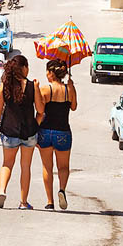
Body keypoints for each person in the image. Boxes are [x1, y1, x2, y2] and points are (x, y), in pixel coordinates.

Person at [0, 55, 44, 209]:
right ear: (24, 68)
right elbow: (40, 110)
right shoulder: (32, 86)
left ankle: (2, 191)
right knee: (25, 166)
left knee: (7, 164)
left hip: (9, 131)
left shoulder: (5, 85)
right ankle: (23, 202)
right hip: (29, 132)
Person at [37, 59, 77, 210]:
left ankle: (49, 202)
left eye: (47, 71)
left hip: (45, 131)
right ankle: (62, 190)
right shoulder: (69, 89)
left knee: (47, 167)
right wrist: (71, 88)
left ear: (51, 73)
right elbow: (73, 107)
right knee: (63, 167)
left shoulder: (45, 89)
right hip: (63, 131)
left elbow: (40, 110)